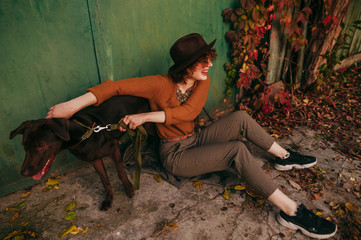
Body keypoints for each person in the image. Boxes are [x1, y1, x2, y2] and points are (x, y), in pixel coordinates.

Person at [46, 33, 337, 239]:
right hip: (175, 154)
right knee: (236, 151)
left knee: (240, 118)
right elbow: (114, 87)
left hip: (194, 137)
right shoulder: (159, 85)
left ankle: (284, 157)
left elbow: (187, 114)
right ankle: (291, 211)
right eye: (203, 61)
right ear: (187, 66)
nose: (209, 66)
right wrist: (71, 106)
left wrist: (146, 116)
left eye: (208, 59)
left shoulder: (202, 81)